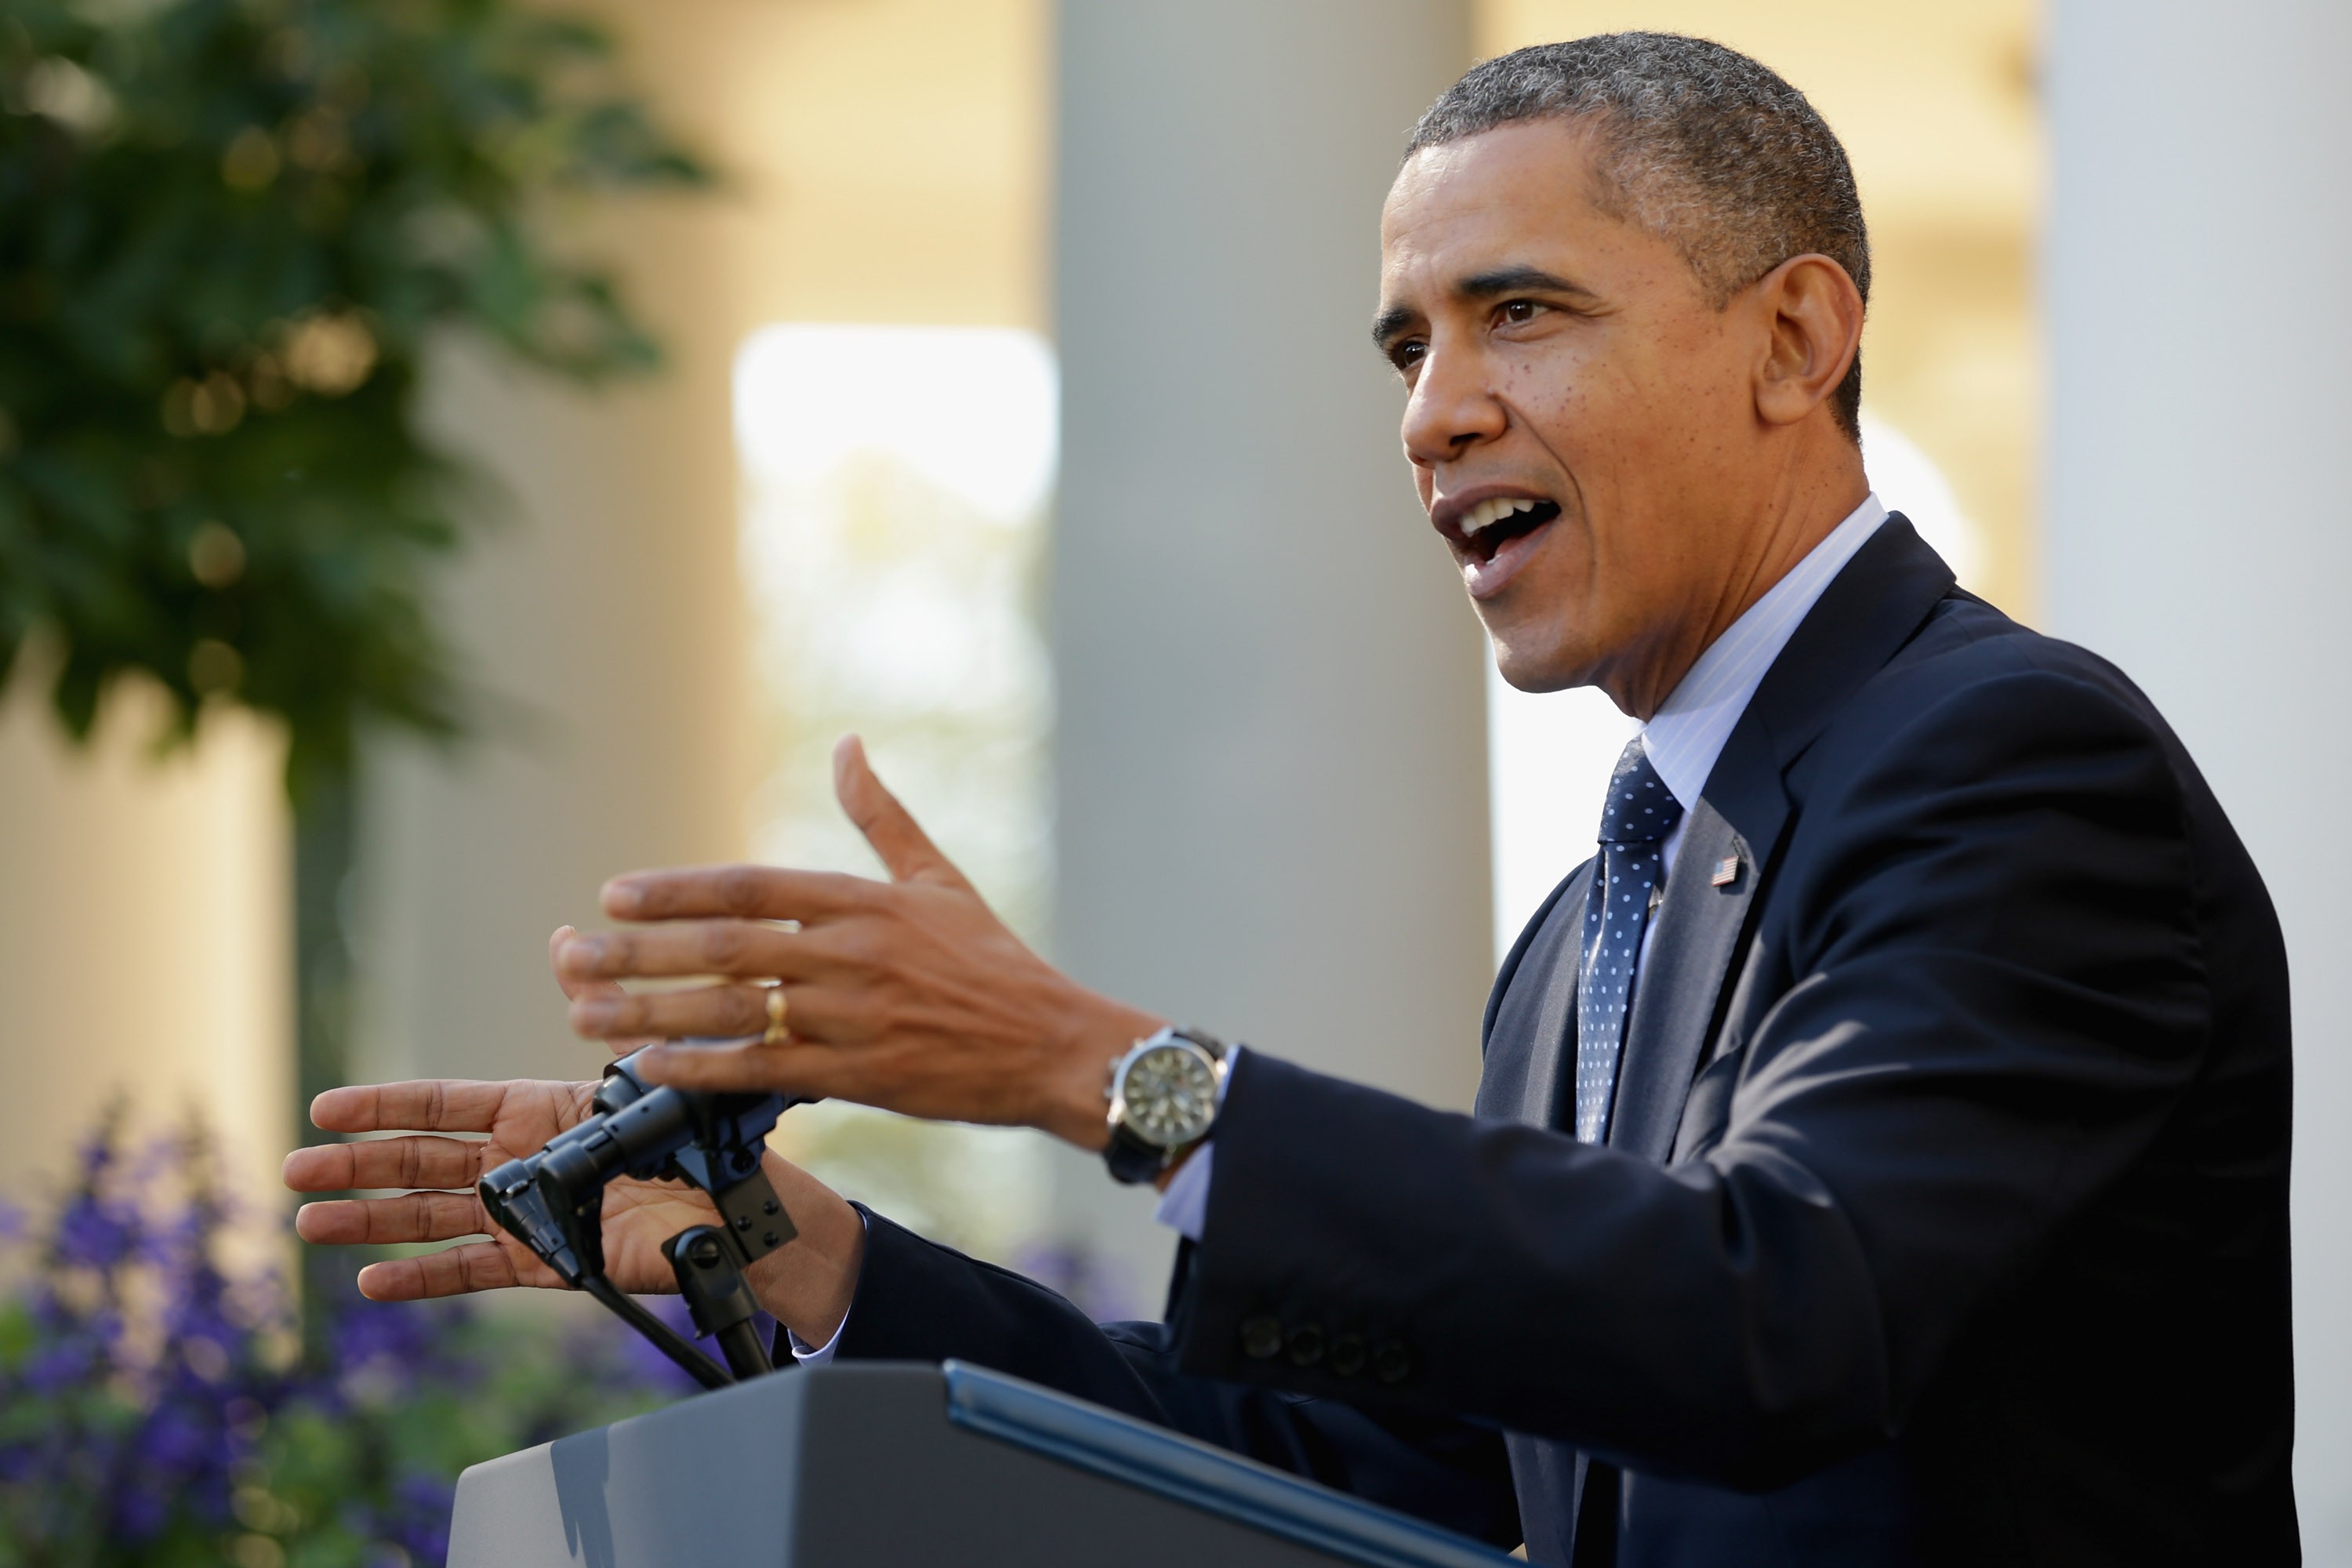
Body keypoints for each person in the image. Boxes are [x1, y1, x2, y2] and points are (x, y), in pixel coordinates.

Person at [283, 33, 2298, 1566]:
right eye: (1407, 344)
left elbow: (1771, 1316)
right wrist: (816, 1257)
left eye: (1521, 310)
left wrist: (1103, 1069)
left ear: (1796, 337)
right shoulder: (1597, 923)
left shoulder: (2013, 763)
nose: (1433, 412)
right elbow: (1380, 1466)